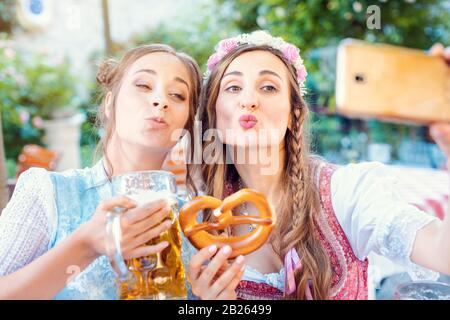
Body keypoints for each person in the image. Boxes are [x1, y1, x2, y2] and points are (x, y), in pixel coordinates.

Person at [186, 30, 450, 300]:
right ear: (214, 112)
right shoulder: (199, 213)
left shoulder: (346, 194)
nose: (249, 100)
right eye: (233, 87)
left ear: (293, 115)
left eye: (268, 87)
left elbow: (443, 253)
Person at [0, 44, 202, 299]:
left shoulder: (195, 223)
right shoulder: (50, 193)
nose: (160, 101)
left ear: (187, 123)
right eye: (143, 85)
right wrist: (84, 245)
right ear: (109, 103)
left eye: (177, 95)